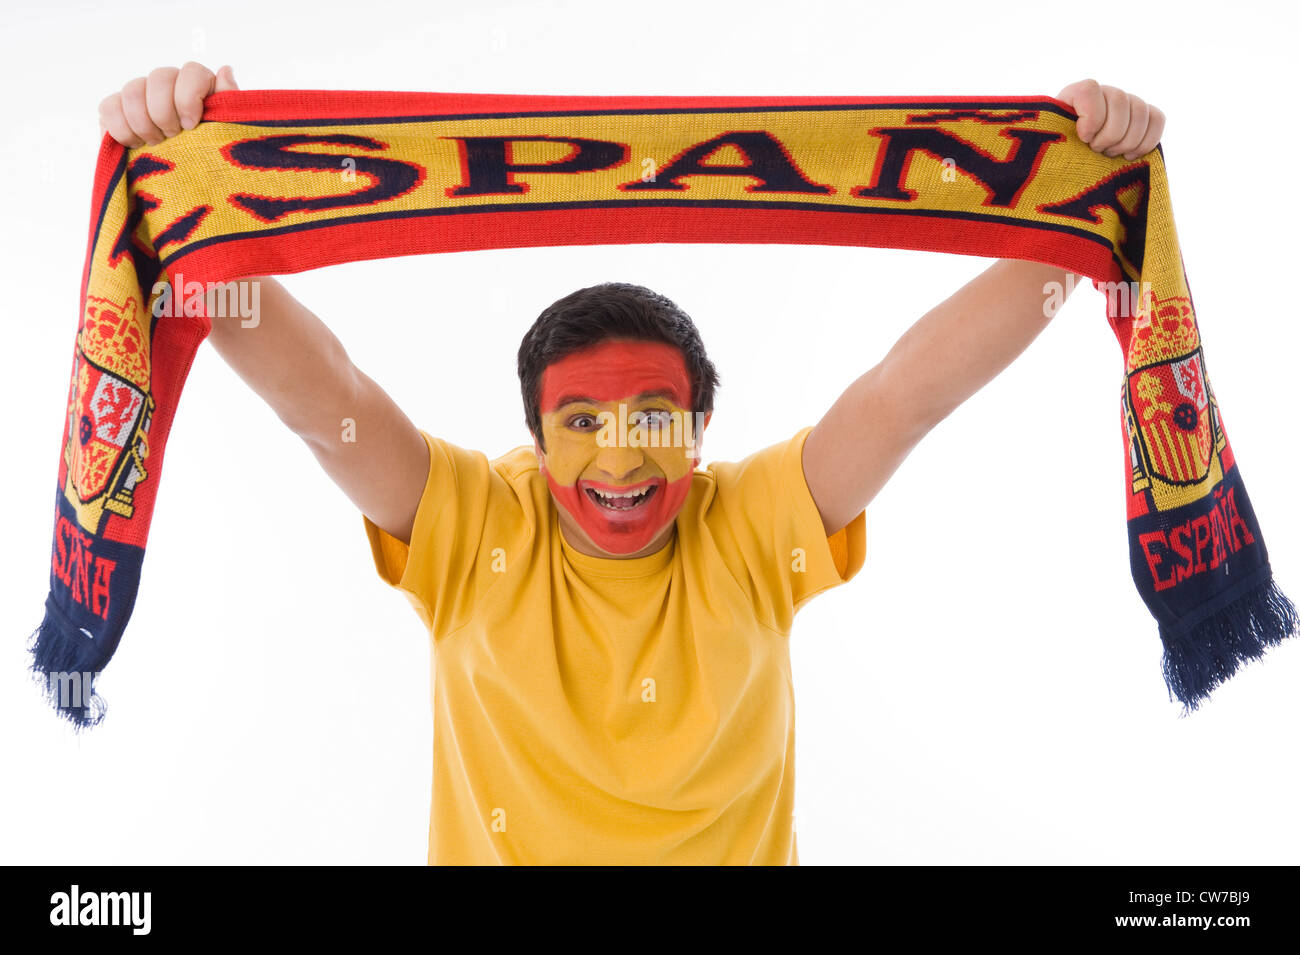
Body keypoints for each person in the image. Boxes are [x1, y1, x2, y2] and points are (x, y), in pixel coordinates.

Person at [99, 65, 1165, 864]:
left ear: (701, 432)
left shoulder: (749, 523)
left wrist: (1080, 206)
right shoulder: (474, 524)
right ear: (532, 435)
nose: (619, 455)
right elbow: (320, 392)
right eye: (581, 421)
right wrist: (202, 203)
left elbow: (906, 392)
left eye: (654, 416)